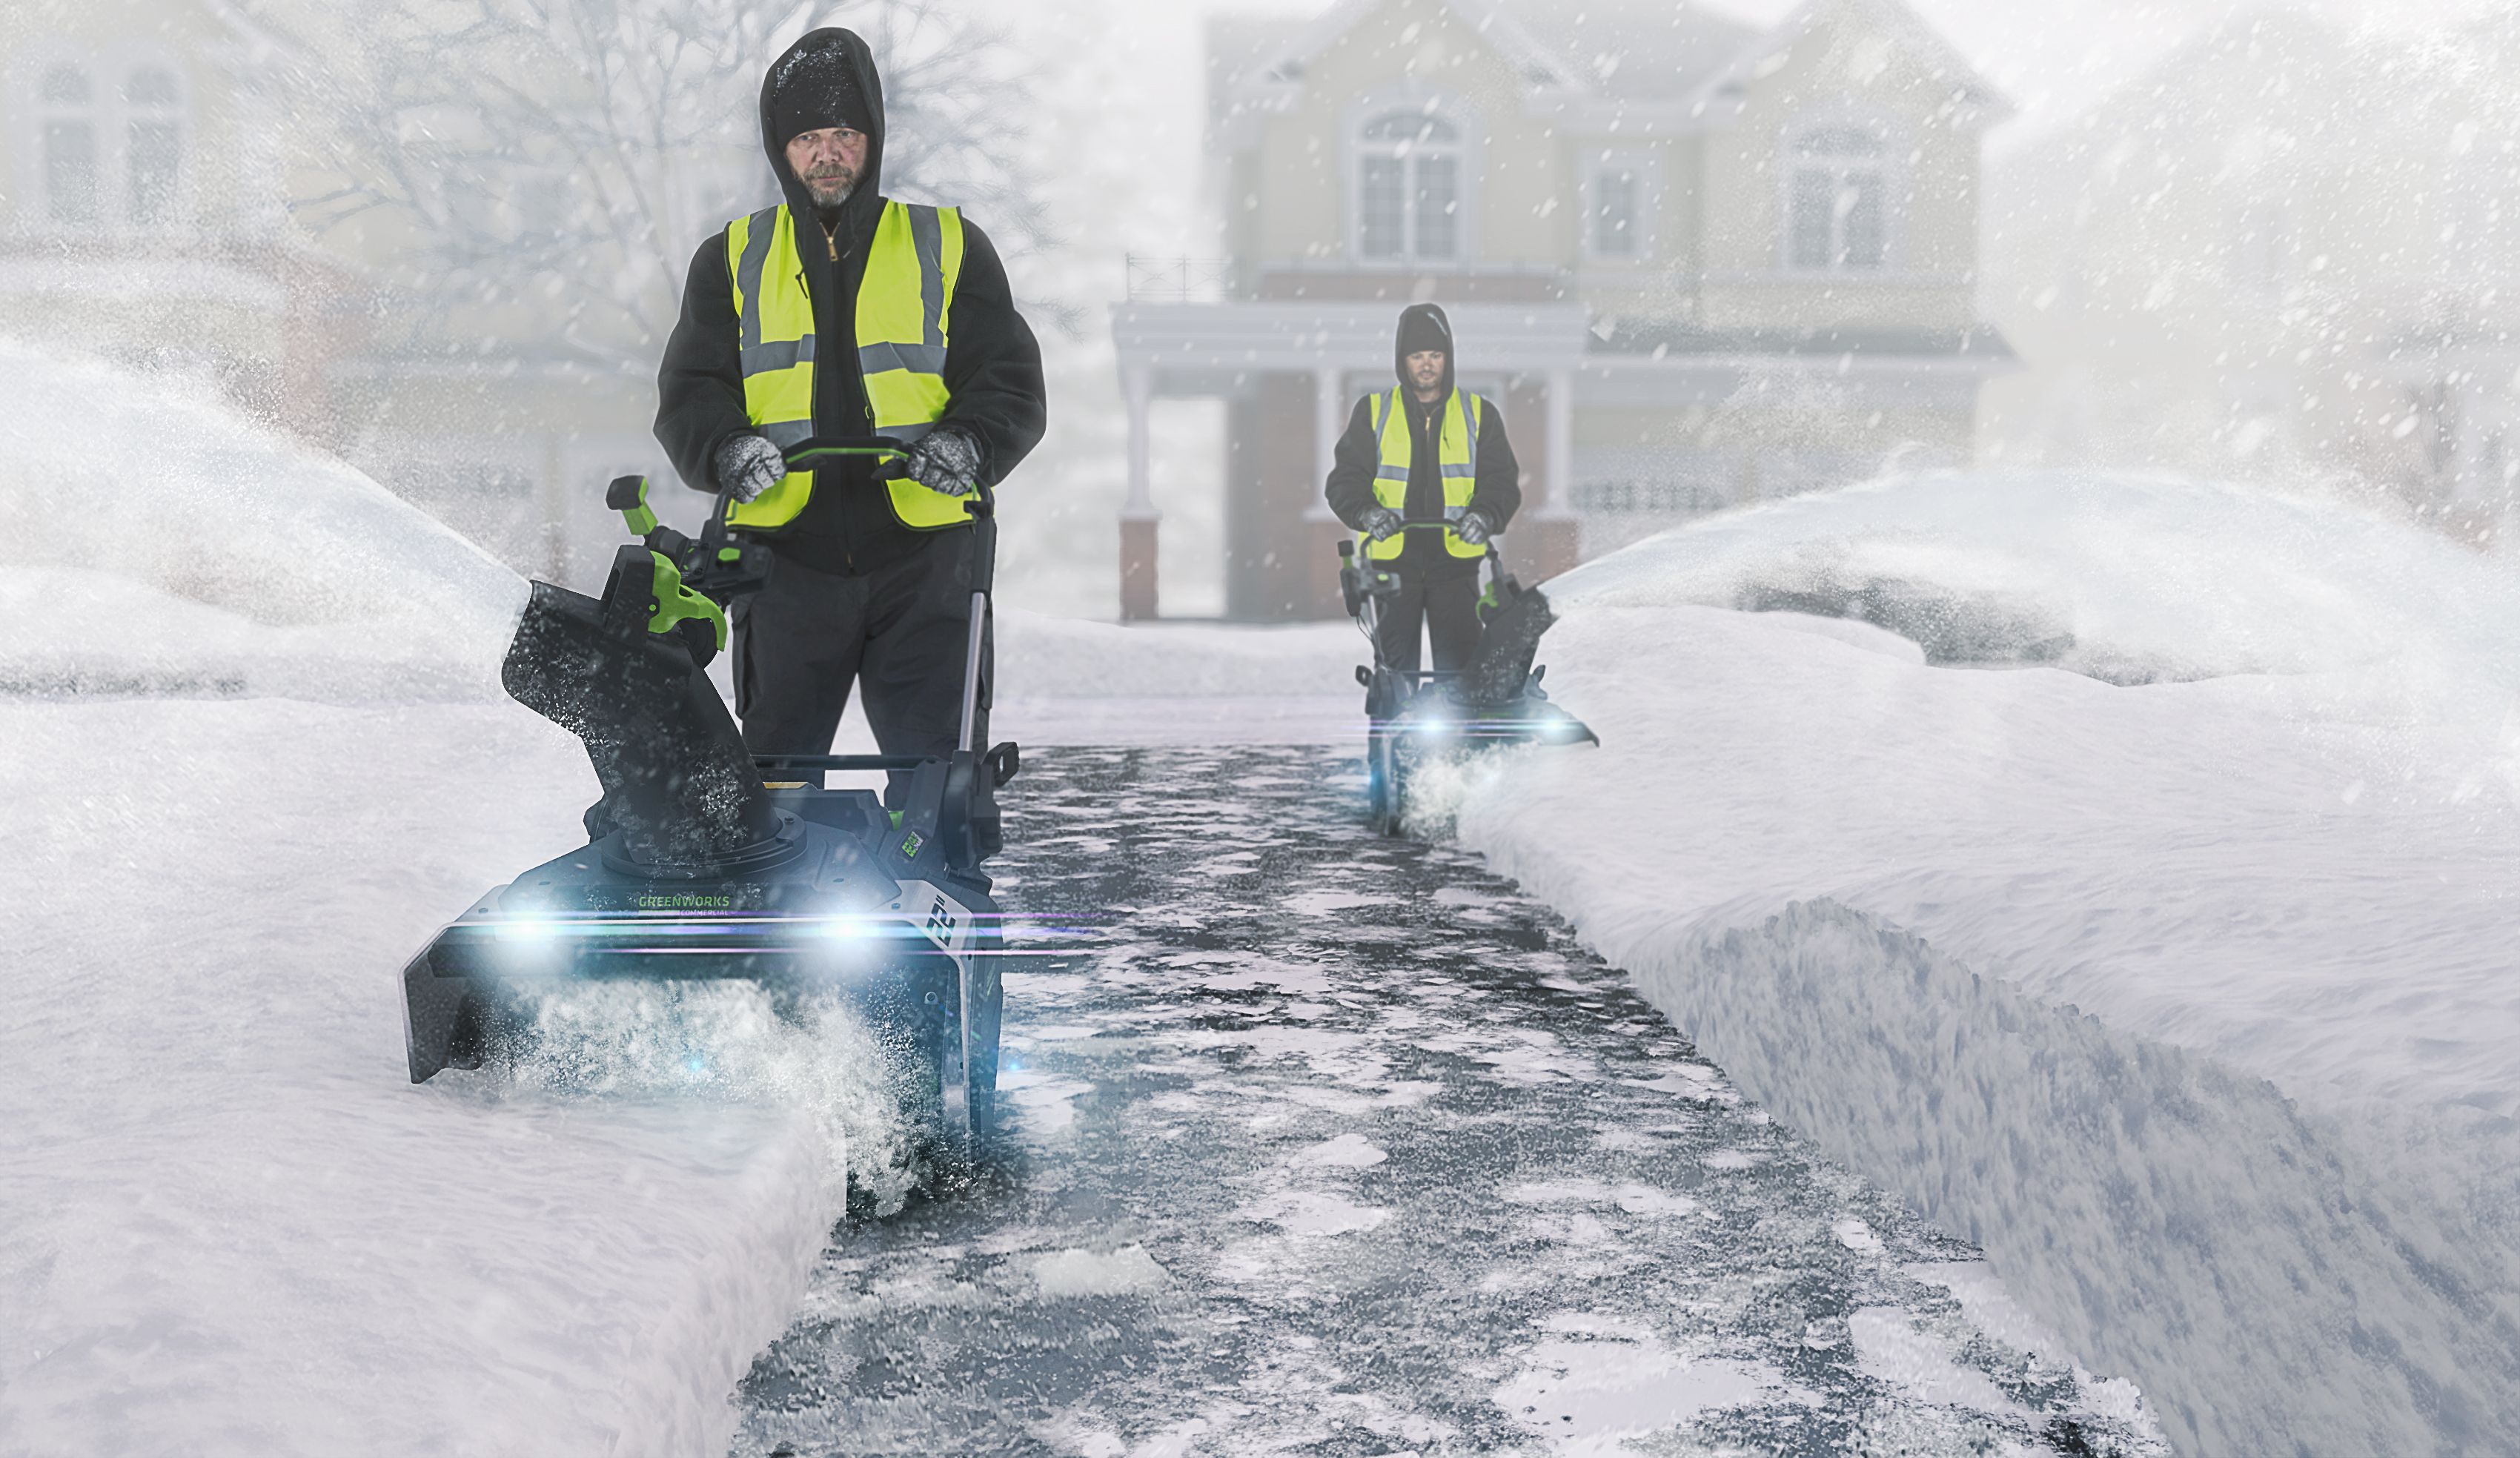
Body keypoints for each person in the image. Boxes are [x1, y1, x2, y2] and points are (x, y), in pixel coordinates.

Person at [654, 27, 1044, 786]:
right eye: (807, 137)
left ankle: (942, 877)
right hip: (784, 563)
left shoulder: (949, 244)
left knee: (939, 774)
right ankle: (776, 893)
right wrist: (730, 448)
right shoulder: (730, 258)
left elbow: (1008, 378)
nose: (827, 153)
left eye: (843, 133)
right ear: (781, 149)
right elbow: (691, 391)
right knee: (775, 777)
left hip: (925, 558)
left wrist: (968, 440)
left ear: (872, 140)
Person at [1323, 302, 1521, 679]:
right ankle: (1394, 731)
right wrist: (1368, 514)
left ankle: (1463, 735)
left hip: (1456, 564)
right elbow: (1345, 481)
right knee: (1396, 674)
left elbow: (1501, 481)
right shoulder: (1374, 412)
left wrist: (1484, 516)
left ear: (1448, 358)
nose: (1427, 364)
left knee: (1462, 673)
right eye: (1417, 355)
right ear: (1403, 360)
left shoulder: (1479, 414)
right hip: (1393, 566)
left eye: (1435, 354)